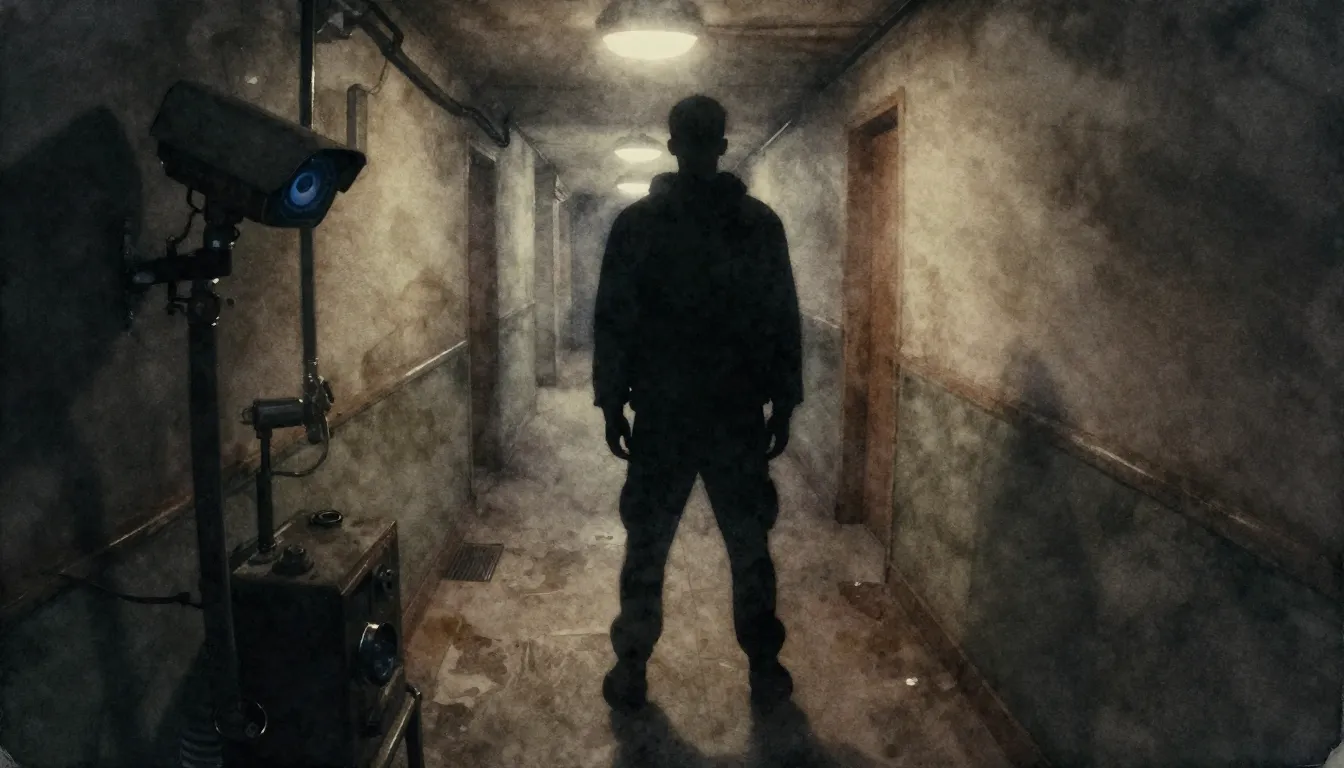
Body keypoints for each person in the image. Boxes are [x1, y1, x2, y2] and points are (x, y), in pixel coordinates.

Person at [592, 94, 803, 715]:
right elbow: (781, 318)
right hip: (734, 415)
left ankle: (632, 664)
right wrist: (783, 401)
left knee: (648, 544)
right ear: (723, 147)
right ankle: (763, 665)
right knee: (748, 545)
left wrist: (613, 401)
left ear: (672, 146)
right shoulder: (757, 224)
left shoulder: (638, 225)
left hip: (665, 414)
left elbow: (614, 320)